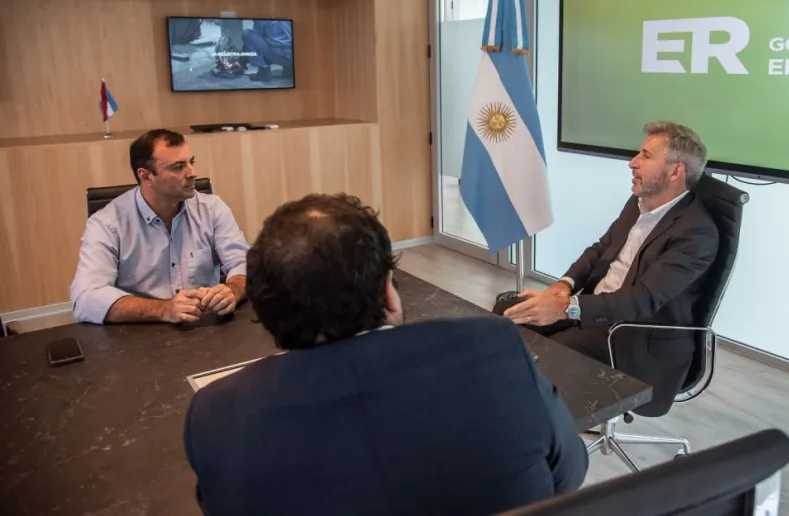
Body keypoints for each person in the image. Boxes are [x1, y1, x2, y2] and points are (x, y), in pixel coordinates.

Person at [183, 194, 588, 516]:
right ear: (387, 292)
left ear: (269, 314)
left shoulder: (218, 415)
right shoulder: (495, 347)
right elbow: (568, 475)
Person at [497, 121, 719, 413]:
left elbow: (642, 300)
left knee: (544, 355)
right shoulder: (639, 202)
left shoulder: (696, 233)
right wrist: (563, 286)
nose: (632, 163)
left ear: (676, 171)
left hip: (632, 336)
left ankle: (540, 426)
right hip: (594, 310)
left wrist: (566, 308)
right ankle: (500, 407)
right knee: (506, 315)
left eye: (646, 156)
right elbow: (601, 249)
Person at [69, 129, 249, 325]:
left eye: (191, 162)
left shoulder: (212, 209)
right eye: (178, 167)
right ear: (146, 176)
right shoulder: (107, 224)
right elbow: (86, 298)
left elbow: (244, 263)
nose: (192, 173)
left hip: (205, 328)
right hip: (139, 333)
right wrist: (164, 309)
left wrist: (232, 290)